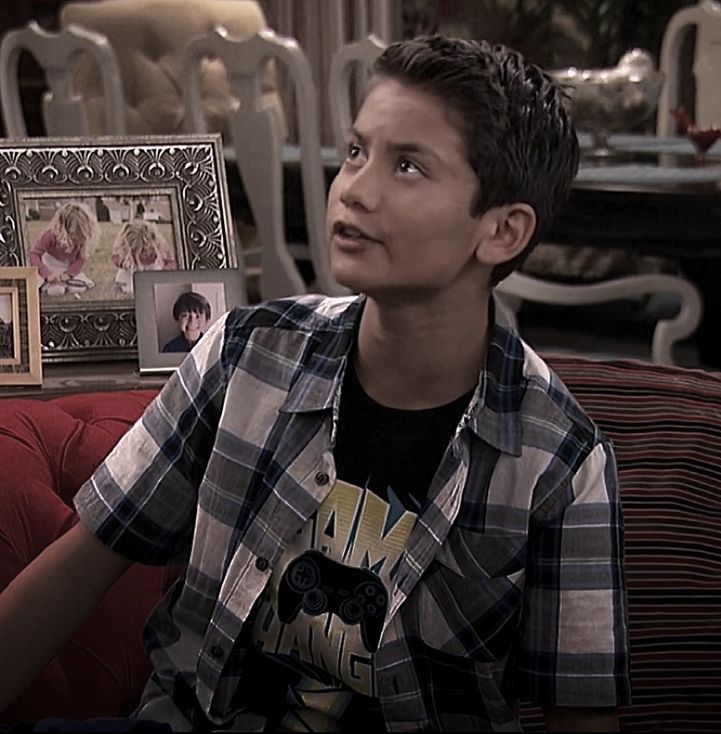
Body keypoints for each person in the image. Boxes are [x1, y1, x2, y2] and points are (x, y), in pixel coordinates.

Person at [0, 37, 631, 732]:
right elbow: (79, 566)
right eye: (356, 152)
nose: (355, 188)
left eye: (409, 165)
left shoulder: (560, 459)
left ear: (502, 231)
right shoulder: (245, 355)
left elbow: (583, 714)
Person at [29, 202, 98, 296]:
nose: (77, 239)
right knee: (56, 291)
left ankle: (65, 284)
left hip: (67, 268)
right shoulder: (49, 235)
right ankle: (47, 285)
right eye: (74, 234)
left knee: (78, 288)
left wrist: (68, 274)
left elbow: (80, 259)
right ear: (64, 228)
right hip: (48, 267)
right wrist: (47, 274)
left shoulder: (81, 239)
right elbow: (34, 254)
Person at [111, 220, 177, 295]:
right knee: (124, 273)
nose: (140, 257)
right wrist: (124, 263)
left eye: (143, 253)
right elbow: (116, 258)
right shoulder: (123, 254)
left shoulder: (160, 251)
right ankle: (124, 289)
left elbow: (172, 264)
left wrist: (164, 272)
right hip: (130, 272)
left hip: (154, 275)